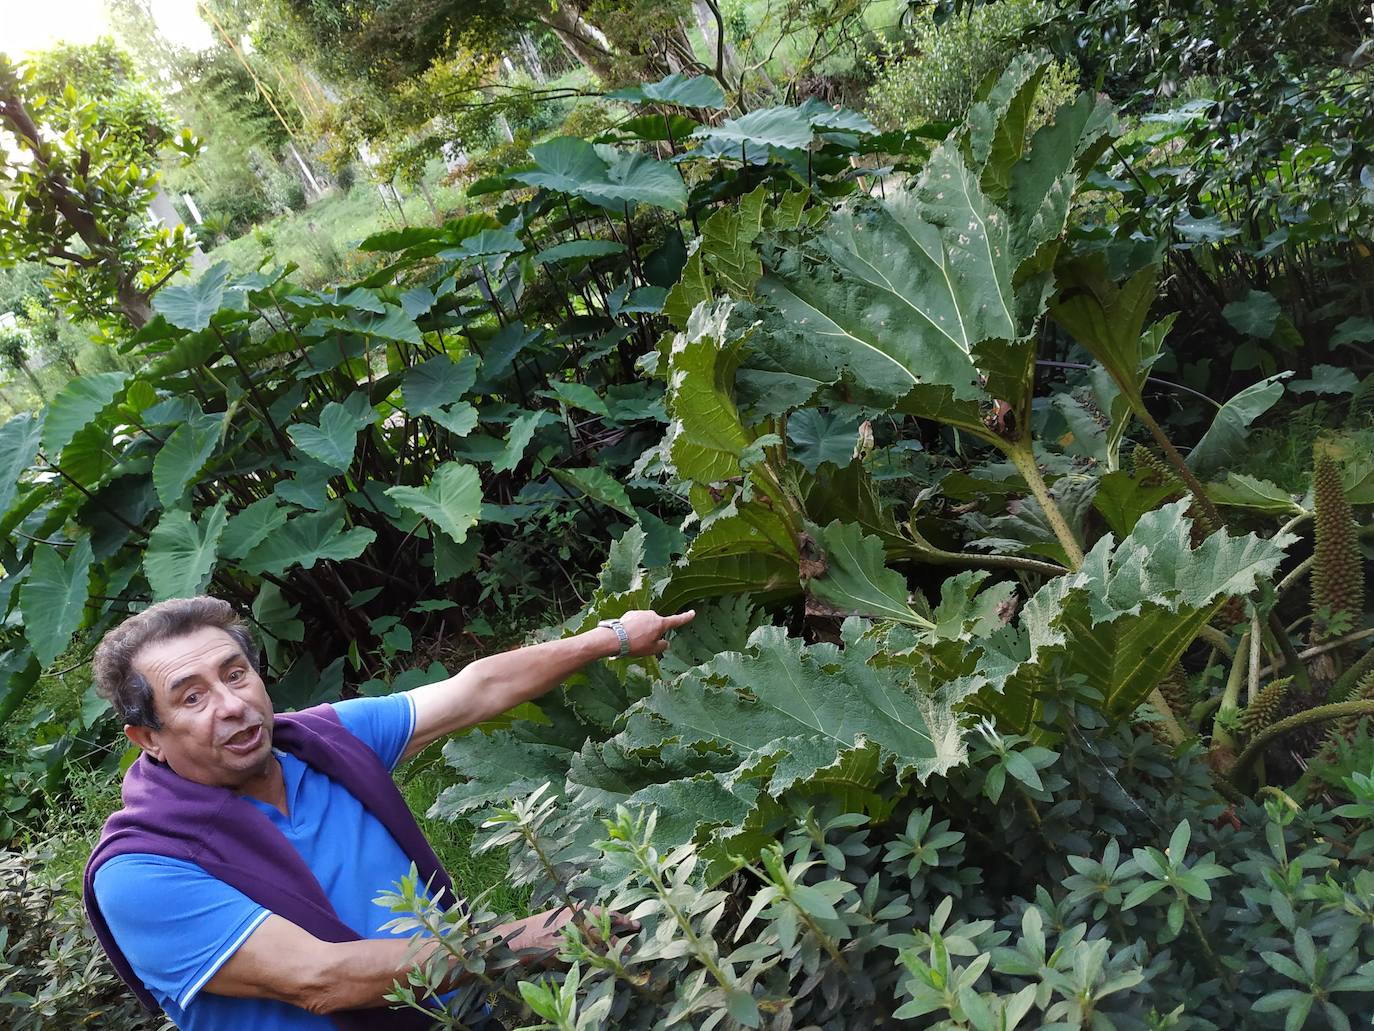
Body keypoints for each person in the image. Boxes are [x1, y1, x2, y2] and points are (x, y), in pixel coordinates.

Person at [83, 595, 694, 1030]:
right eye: (192, 697)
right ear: (149, 739)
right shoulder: (141, 871)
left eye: (236, 675)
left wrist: (613, 636)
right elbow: (324, 981)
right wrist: (521, 939)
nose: (232, 705)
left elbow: (476, 688)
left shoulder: (321, 742)